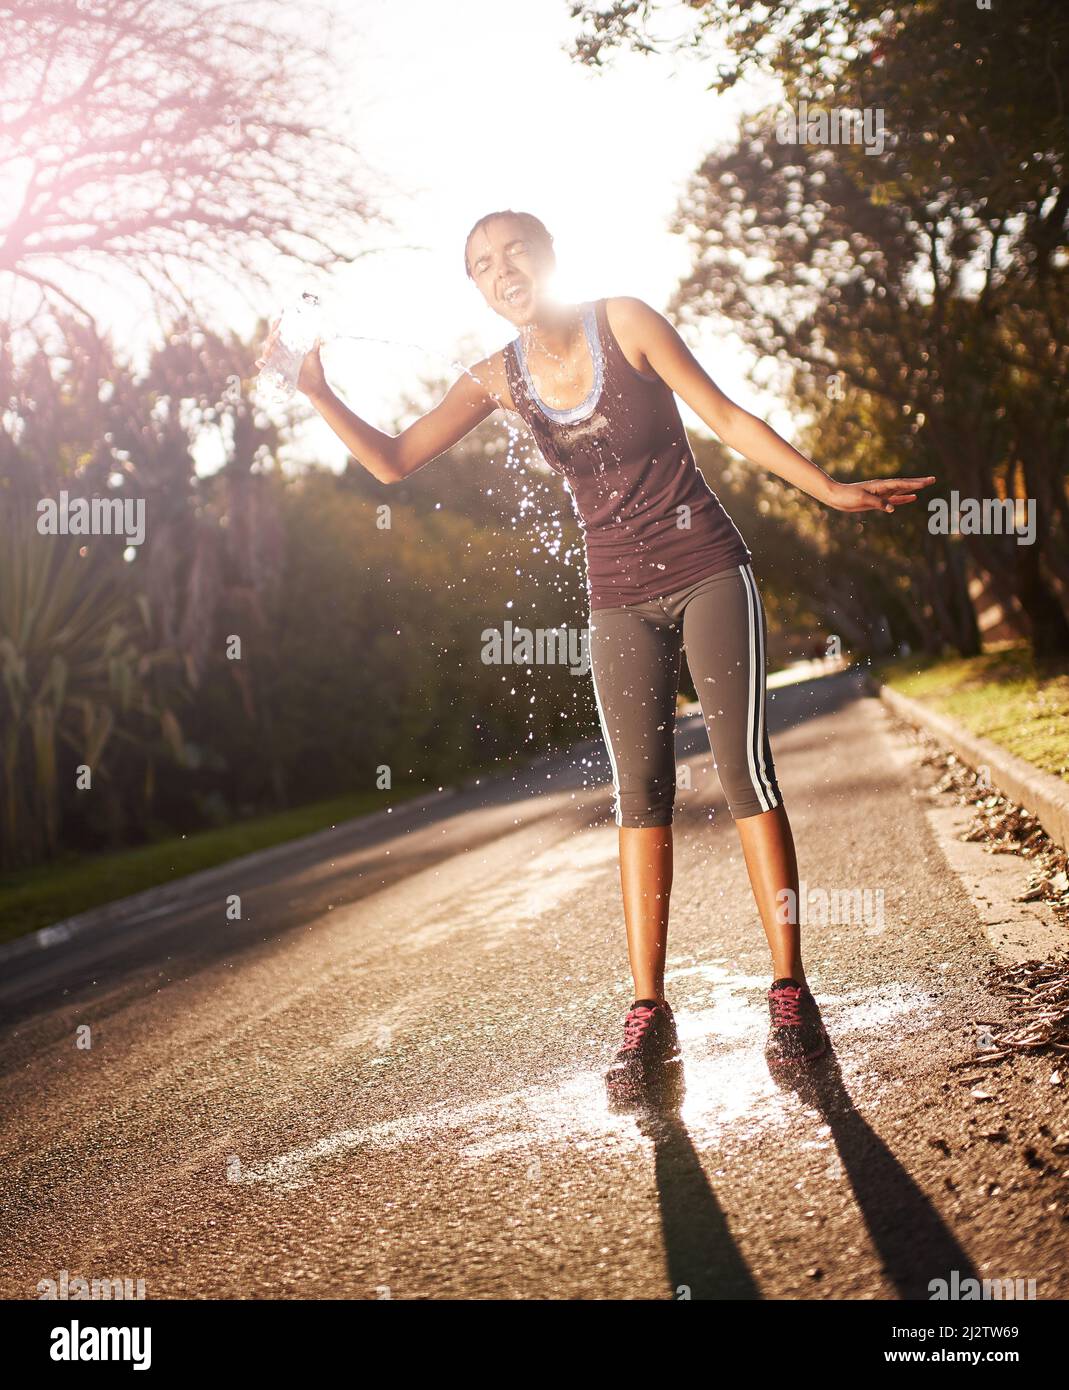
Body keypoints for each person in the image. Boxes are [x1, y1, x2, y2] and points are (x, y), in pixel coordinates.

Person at [256, 209, 934, 1109]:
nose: (505, 270)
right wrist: (314, 389)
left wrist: (829, 488)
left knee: (743, 775)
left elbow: (726, 417)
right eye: (484, 265)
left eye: (516, 253)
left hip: (705, 574)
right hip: (616, 599)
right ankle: (648, 1016)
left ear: (548, 257)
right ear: (478, 287)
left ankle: (790, 998)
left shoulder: (626, 323)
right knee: (638, 795)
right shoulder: (498, 377)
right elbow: (391, 462)